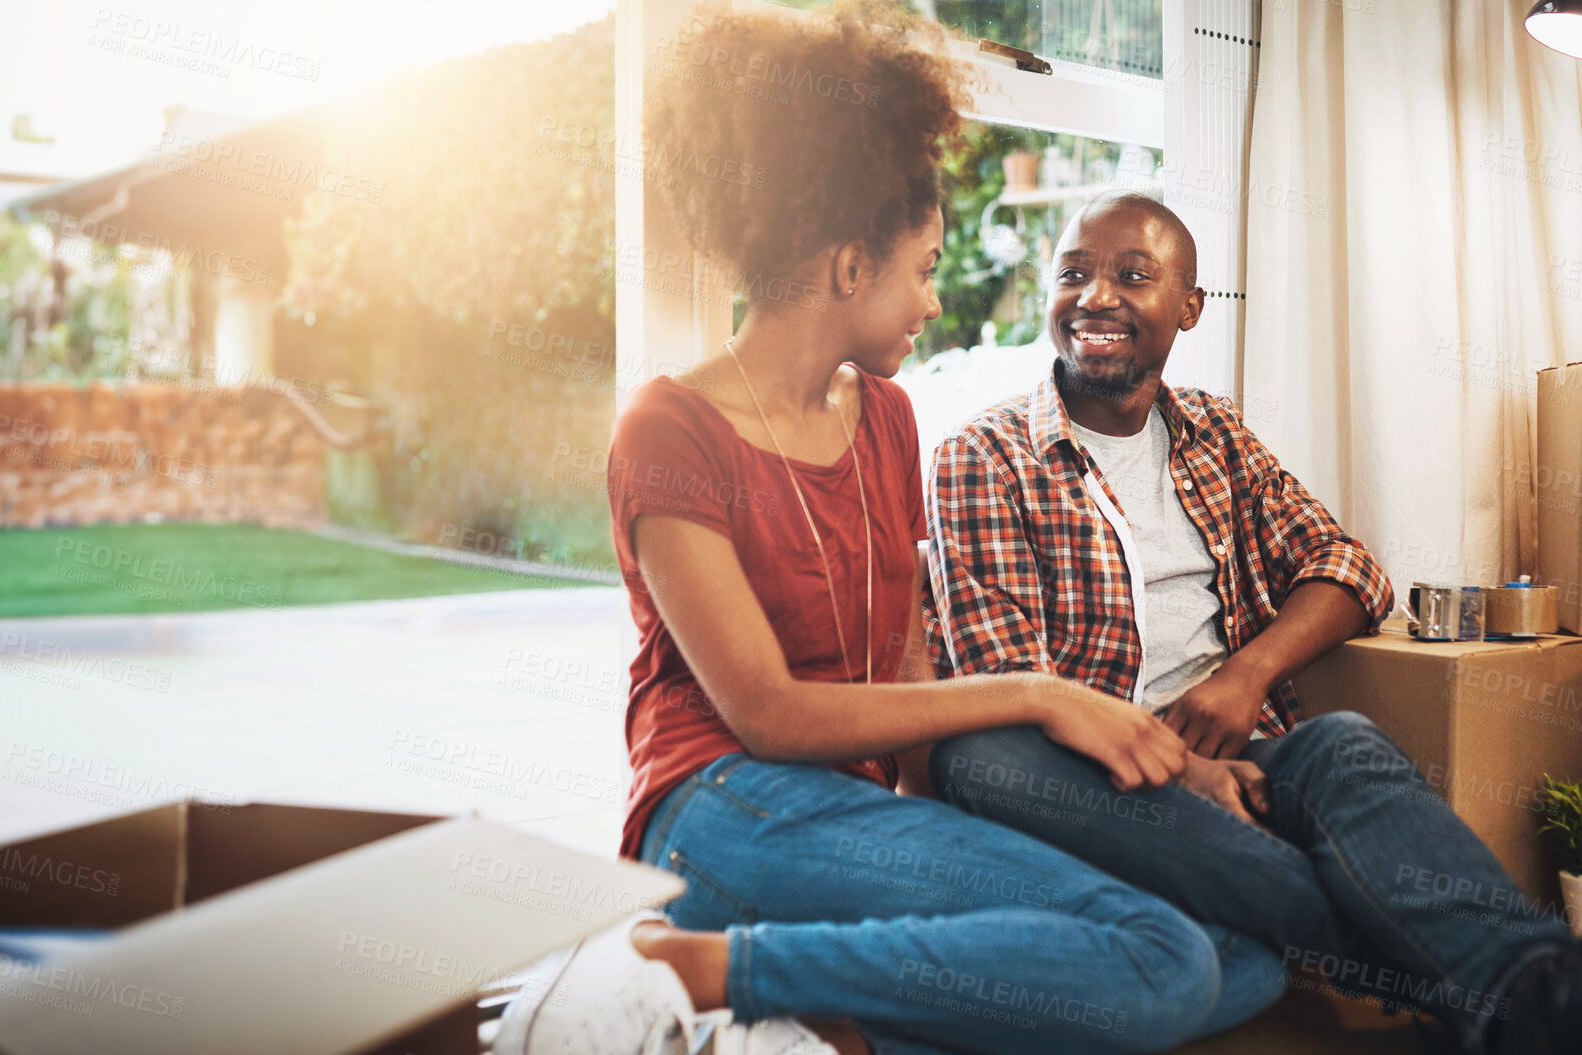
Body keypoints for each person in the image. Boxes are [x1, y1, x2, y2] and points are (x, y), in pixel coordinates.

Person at [498, 5, 1287, 1054]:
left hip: (861, 819)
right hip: (721, 805)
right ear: (849, 263)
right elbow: (768, 713)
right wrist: (1044, 697)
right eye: (922, 268)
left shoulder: (889, 417)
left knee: (1248, 950)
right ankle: (701, 964)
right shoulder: (667, 427)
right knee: (1165, 956)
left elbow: (908, 666)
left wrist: (953, 822)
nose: (930, 300)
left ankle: (810, 1030)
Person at [923, 189, 1582, 1055]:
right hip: (1073, 770)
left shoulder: (1215, 435)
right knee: (980, 755)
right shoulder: (983, 455)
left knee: (1342, 742)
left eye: (1132, 275)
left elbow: (1349, 567)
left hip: (1237, 750)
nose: (1094, 297)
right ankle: (1454, 983)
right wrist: (1178, 768)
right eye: (1072, 274)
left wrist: (1246, 675)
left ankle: (1548, 1004)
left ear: (1188, 307)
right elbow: (1007, 679)